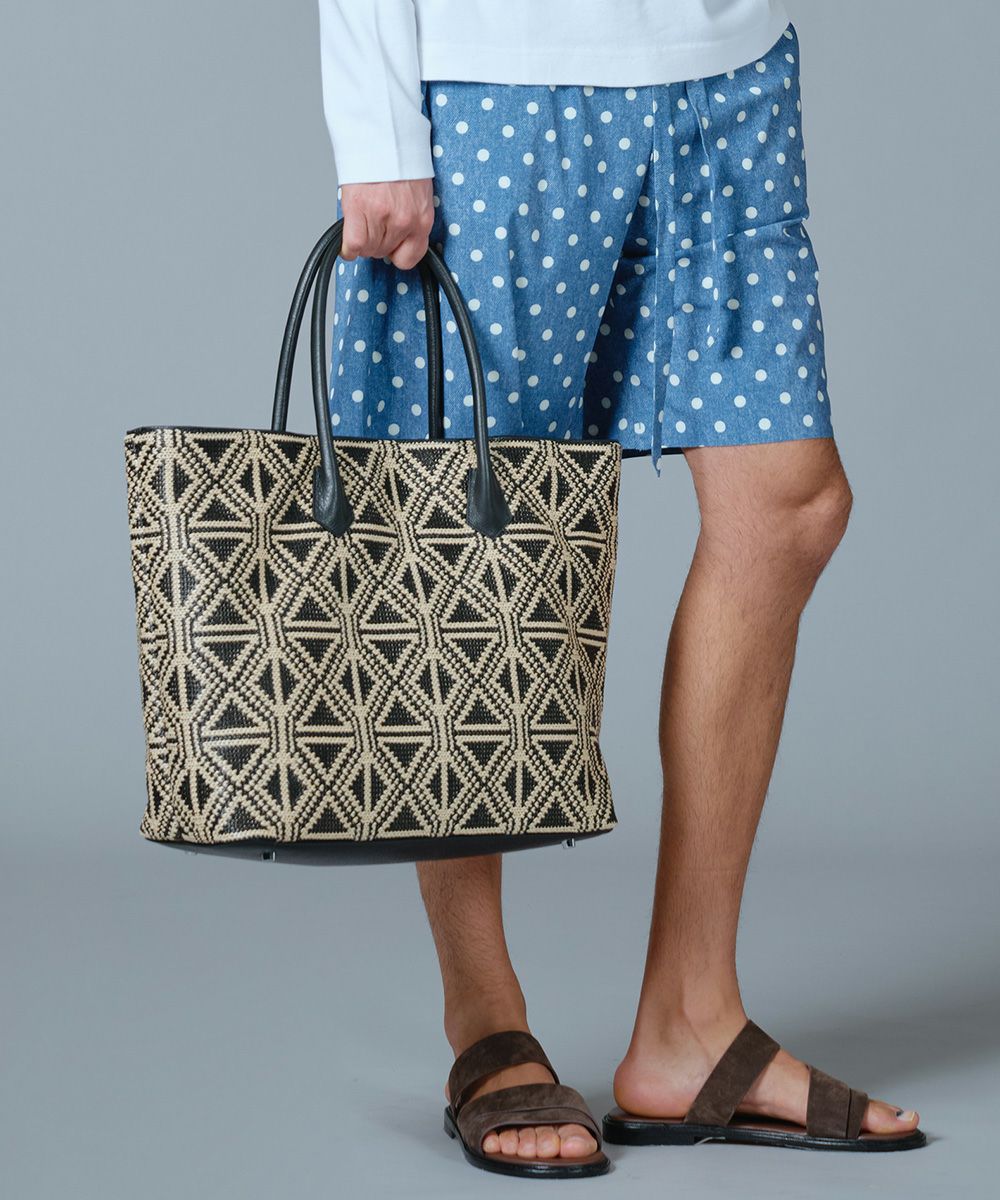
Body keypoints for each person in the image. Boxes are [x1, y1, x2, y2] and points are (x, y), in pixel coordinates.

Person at [316, 0, 924, 1176]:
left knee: (788, 503)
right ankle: (485, 1022)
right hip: (503, 77)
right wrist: (378, 128)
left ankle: (689, 1023)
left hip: (730, 72)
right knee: (463, 543)